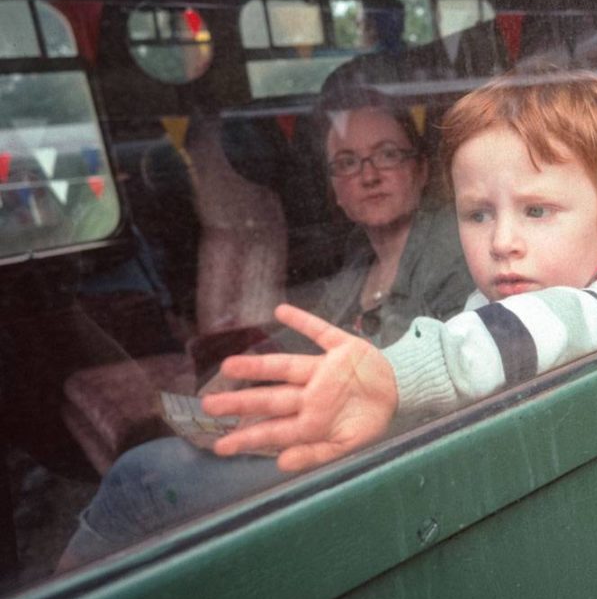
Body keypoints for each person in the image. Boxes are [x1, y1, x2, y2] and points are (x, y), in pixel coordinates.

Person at [57, 68, 473, 569]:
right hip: (324, 440)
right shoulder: (357, 265)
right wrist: (232, 378)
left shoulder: (453, 250)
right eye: (347, 162)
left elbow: (442, 395)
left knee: (140, 477)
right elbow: (294, 339)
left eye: (388, 154)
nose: (368, 174)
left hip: (379, 464)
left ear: (422, 169)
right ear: (335, 192)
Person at [203, 69, 597, 471]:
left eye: (537, 211)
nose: (502, 243)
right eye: (478, 215)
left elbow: (547, 323)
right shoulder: (484, 305)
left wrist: (396, 376)